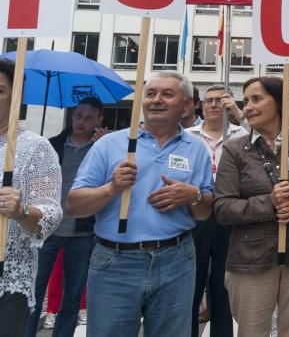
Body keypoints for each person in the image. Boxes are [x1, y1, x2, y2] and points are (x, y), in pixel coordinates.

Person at [67, 70, 215, 336]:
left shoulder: (196, 149)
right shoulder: (110, 145)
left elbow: (205, 212)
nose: (157, 99)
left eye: (167, 94)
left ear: (185, 105)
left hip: (176, 261)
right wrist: (112, 188)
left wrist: (192, 195)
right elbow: (74, 206)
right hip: (115, 262)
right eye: (151, 93)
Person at [214, 77, 289, 337]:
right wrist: (268, 202)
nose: (247, 106)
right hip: (250, 260)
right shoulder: (235, 149)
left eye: (256, 99)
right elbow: (223, 208)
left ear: (280, 102)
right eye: (245, 100)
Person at [24, 97, 105, 337]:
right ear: (72, 116)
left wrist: (105, 145)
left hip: (82, 232)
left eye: (89, 118)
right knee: (34, 294)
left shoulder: (101, 150)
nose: (81, 122)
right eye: (78, 116)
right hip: (46, 230)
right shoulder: (51, 145)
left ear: (99, 120)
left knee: (72, 296)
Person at [0, 58, 62, 335]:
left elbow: (50, 214)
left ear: (16, 97)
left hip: (7, 280)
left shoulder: (34, 148)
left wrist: (21, 211)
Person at [187, 85, 246, 337]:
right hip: (194, 216)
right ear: (200, 105)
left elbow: (269, 142)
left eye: (221, 101)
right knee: (191, 285)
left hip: (228, 216)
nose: (214, 105)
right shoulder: (187, 135)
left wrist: (239, 113)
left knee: (222, 288)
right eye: (209, 100)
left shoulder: (242, 134)